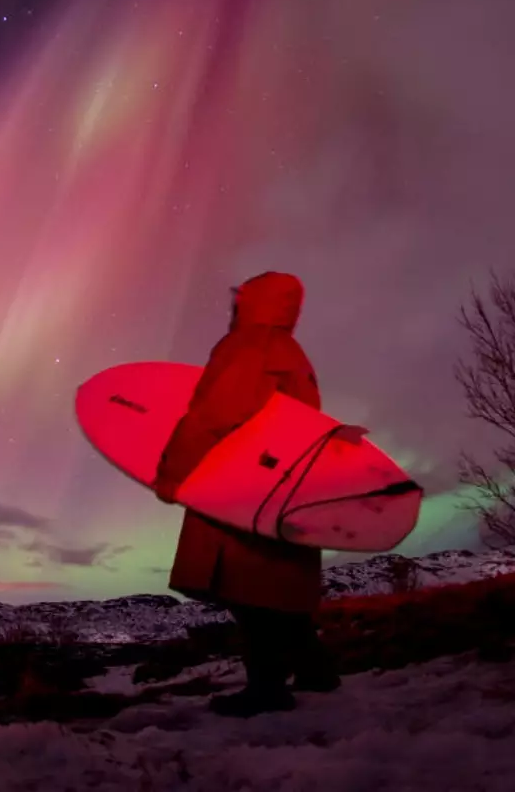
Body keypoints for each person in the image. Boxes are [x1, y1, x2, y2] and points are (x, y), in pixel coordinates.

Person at [154, 271, 342, 717]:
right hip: (287, 485)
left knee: (248, 591)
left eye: (240, 301)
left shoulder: (246, 346)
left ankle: (267, 689)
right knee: (278, 586)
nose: (232, 307)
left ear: (253, 304)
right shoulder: (292, 352)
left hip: (240, 488)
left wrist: (173, 475)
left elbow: (212, 417)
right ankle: (315, 669)